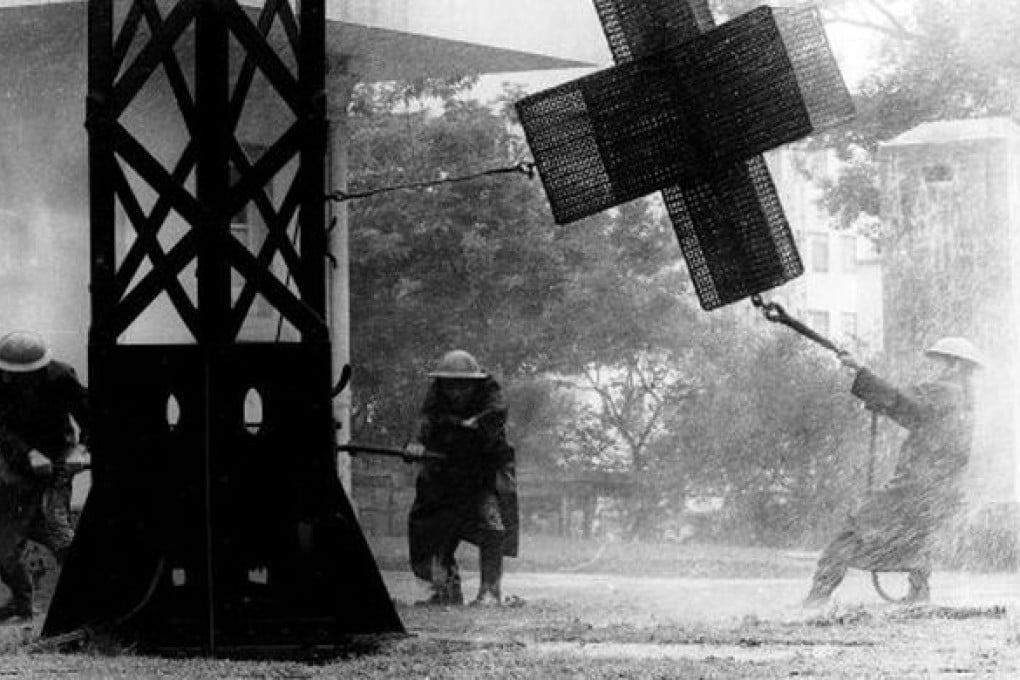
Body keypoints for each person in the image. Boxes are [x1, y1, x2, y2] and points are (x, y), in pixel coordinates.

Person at [804, 337, 983, 607]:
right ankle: (919, 595)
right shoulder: (962, 399)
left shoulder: (945, 390)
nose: (936, 369)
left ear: (956, 364)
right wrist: (880, 400)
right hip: (940, 490)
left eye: (940, 363)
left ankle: (816, 599)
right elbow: (912, 413)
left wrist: (860, 371)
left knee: (852, 529)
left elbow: (901, 399)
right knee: (917, 537)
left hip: (916, 485)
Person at [406, 350, 518, 606]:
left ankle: (490, 592)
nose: (456, 392)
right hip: (444, 470)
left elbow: (494, 418)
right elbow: (424, 420)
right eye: (450, 385)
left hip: (482, 472)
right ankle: (445, 590)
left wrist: (472, 424)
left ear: (475, 383)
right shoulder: (436, 394)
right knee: (429, 527)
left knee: (492, 526)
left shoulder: (491, 395)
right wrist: (415, 442)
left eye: (463, 385)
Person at [0, 330, 89, 621]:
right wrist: (28, 453)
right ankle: (24, 606)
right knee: (3, 543)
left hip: (58, 464)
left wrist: (81, 450)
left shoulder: (62, 377)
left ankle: (81, 607)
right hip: (15, 468)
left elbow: (93, 417)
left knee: (59, 534)